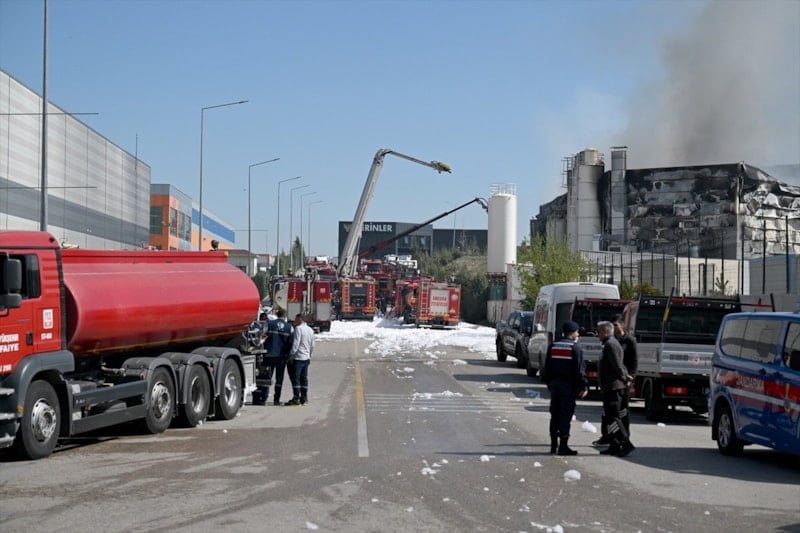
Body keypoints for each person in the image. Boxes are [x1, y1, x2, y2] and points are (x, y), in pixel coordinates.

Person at [542, 321, 588, 455]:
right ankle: (563, 445)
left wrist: (549, 384)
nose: (578, 334)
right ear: (572, 333)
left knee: (554, 414)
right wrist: (584, 385)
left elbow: (547, 367)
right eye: (577, 332)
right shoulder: (575, 347)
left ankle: (553, 444)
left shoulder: (553, 346)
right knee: (565, 415)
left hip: (555, 386)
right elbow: (579, 369)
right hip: (568, 387)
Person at [594, 314, 637, 447]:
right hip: (610, 386)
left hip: (614, 386)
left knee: (614, 417)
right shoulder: (609, 343)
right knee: (610, 417)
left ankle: (624, 442)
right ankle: (614, 444)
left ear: (606, 331)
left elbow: (618, 365)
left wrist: (626, 377)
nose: (597, 334)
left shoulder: (611, 345)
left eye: (599, 332)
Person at [262, 308, 294, 406]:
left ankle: (264, 397)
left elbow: (263, 336)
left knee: (267, 377)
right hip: (282, 356)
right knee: (279, 378)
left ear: (277, 315)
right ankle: (276, 399)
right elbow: (291, 342)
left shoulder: (269, 324)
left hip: (269, 354)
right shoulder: (289, 327)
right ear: (285, 316)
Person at [285, 313, 315, 406]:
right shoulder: (310, 330)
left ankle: (296, 397)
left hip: (298, 357)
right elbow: (312, 345)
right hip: (306, 357)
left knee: (296, 378)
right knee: (304, 378)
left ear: (300, 319)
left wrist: (291, 355)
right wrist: (309, 355)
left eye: (296, 319)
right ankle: (304, 398)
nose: (294, 321)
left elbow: (296, 343)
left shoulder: (298, 329)